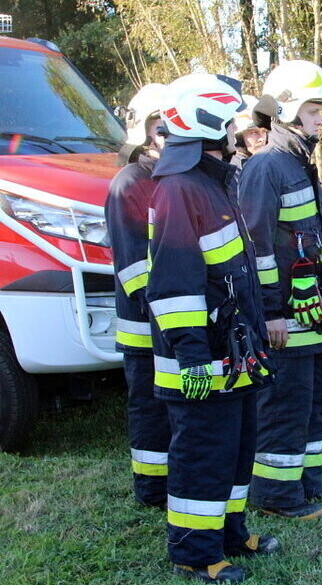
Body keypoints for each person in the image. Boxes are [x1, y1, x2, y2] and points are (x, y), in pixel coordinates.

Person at [147, 73, 279, 583]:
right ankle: (194, 552)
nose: (236, 131)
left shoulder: (211, 181)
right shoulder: (180, 189)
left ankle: (229, 532)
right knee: (203, 452)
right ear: (208, 124)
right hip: (200, 359)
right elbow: (175, 285)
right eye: (228, 123)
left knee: (236, 446)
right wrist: (194, 358)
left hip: (232, 348)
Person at [239, 60, 322, 519]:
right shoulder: (267, 167)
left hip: (313, 312)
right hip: (285, 315)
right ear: (286, 110)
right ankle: (276, 495)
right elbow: (257, 247)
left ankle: (307, 481)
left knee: (310, 401)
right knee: (285, 404)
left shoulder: (299, 163)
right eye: (313, 109)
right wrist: (269, 313)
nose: (321, 118)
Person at [105, 83, 171, 509]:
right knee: (148, 405)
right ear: (147, 132)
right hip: (143, 322)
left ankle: (170, 479)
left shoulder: (170, 179)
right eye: (163, 129)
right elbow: (132, 266)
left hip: (171, 319)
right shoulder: (129, 182)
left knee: (169, 406)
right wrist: (164, 308)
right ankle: (151, 489)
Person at [231, 95, 268, 172]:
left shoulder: (266, 163)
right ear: (238, 138)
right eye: (254, 132)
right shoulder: (233, 172)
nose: (261, 138)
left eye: (264, 131)